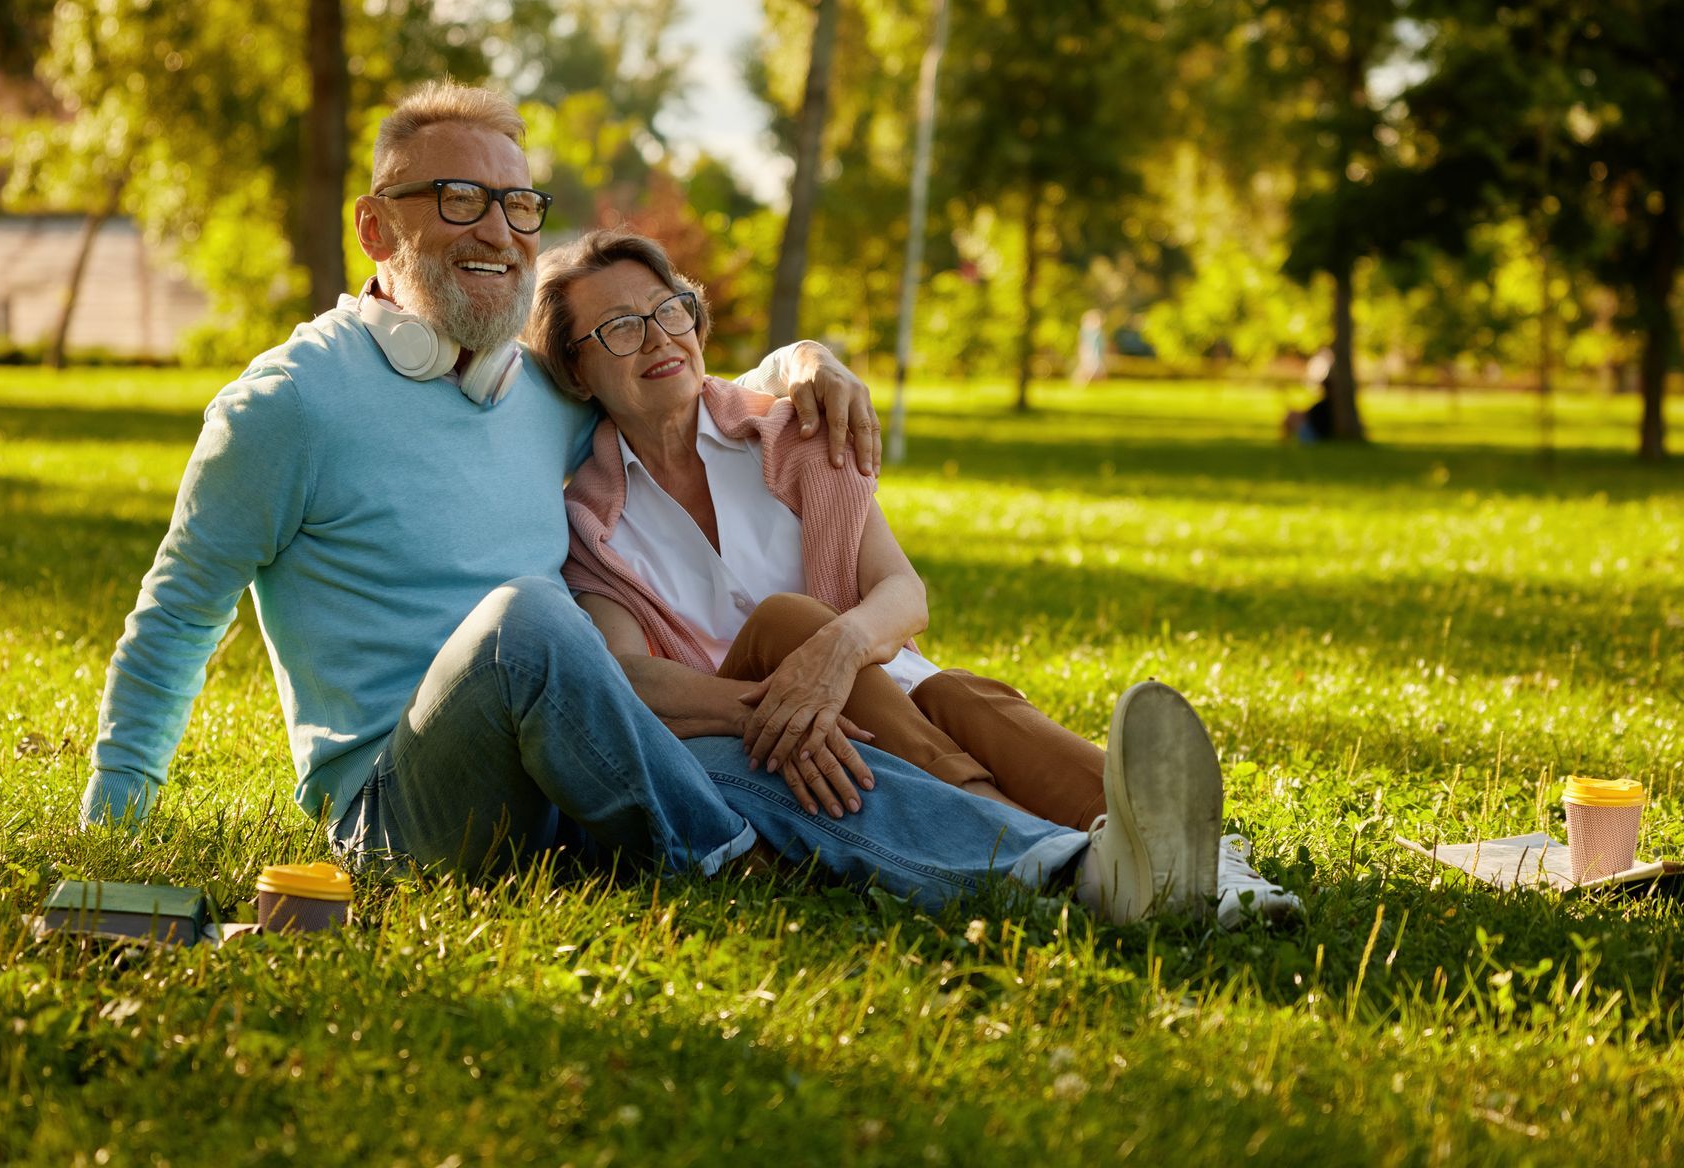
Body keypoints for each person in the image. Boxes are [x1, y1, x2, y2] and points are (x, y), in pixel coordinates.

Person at [80, 79, 1223, 924]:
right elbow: (178, 612)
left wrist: (804, 359)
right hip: (403, 807)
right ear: (378, 228)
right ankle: (723, 861)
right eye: (461, 198)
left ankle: (1076, 872)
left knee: (791, 744)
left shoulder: (539, 391)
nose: (500, 230)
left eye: (521, 205)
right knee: (532, 620)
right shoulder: (287, 404)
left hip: (586, 762)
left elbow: (671, 376)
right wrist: (111, 828)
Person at [525, 228, 1302, 928]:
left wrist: (836, 656)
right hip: (751, 747)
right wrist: (787, 700)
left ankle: (1207, 865)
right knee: (790, 623)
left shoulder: (790, 432)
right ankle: (1040, 840)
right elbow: (628, 677)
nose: (658, 339)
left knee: (951, 690)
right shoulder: (592, 521)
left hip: (885, 695)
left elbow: (904, 595)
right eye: (619, 329)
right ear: (579, 371)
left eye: (668, 312)